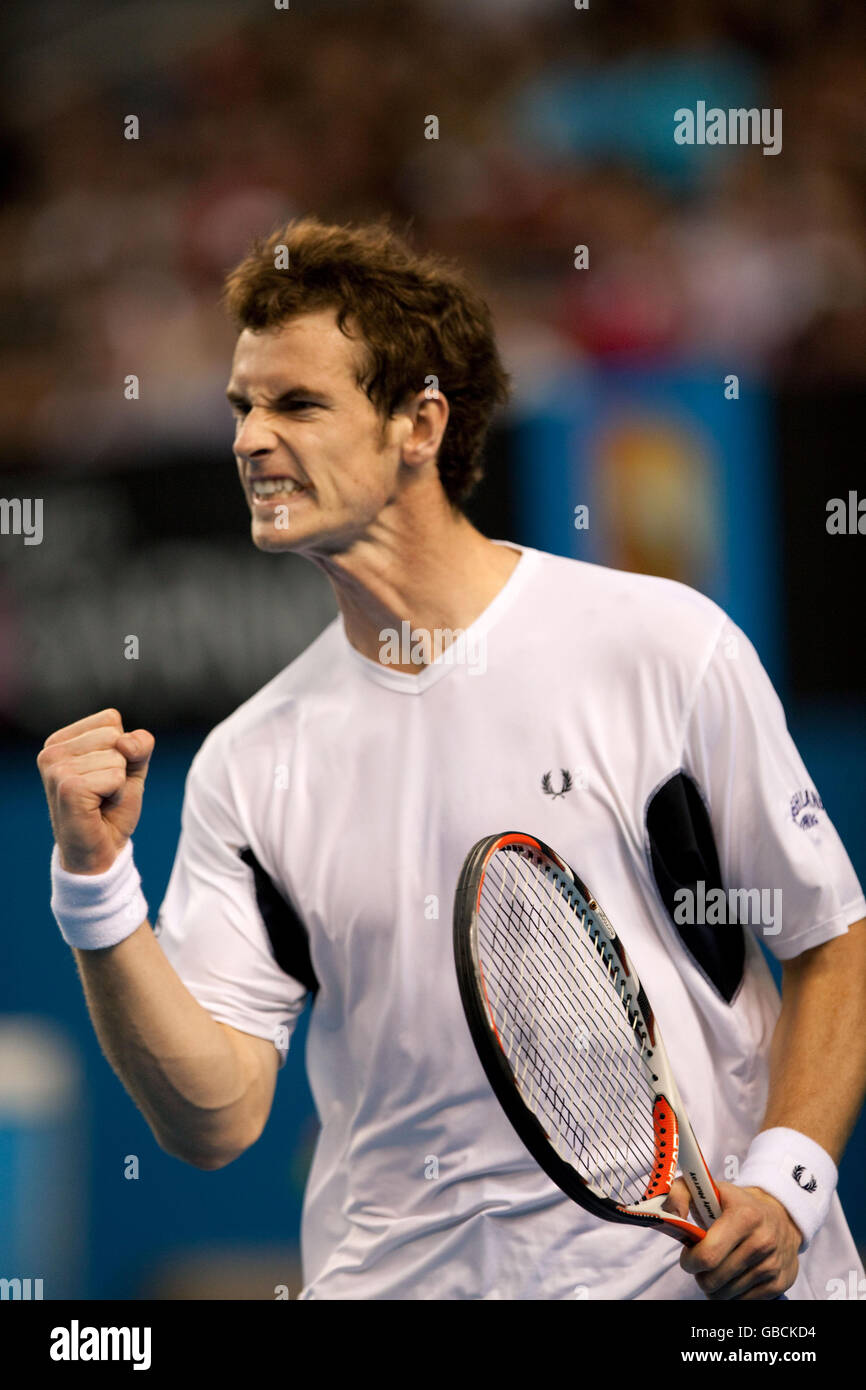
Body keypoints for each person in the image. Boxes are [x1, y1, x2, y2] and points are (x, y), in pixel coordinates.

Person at [38, 217, 866, 1300]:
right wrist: (96, 890)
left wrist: (784, 1182)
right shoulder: (248, 761)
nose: (247, 440)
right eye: (242, 406)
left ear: (417, 422)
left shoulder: (660, 644)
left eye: (295, 403)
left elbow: (826, 940)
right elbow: (217, 1116)